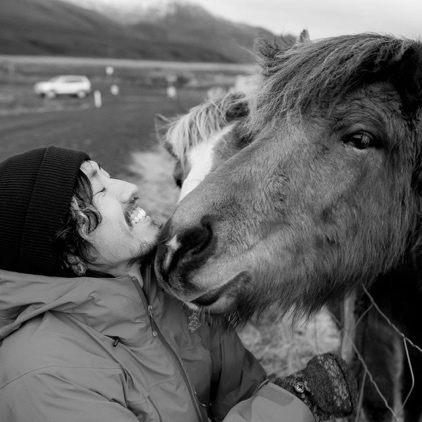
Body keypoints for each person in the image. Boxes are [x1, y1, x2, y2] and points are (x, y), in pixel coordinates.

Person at [0, 146, 357, 422]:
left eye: (109, 176)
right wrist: (295, 403)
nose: (129, 189)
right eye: (101, 193)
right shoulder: (42, 376)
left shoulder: (169, 291)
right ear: (69, 257)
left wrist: (281, 398)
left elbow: (242, 390)